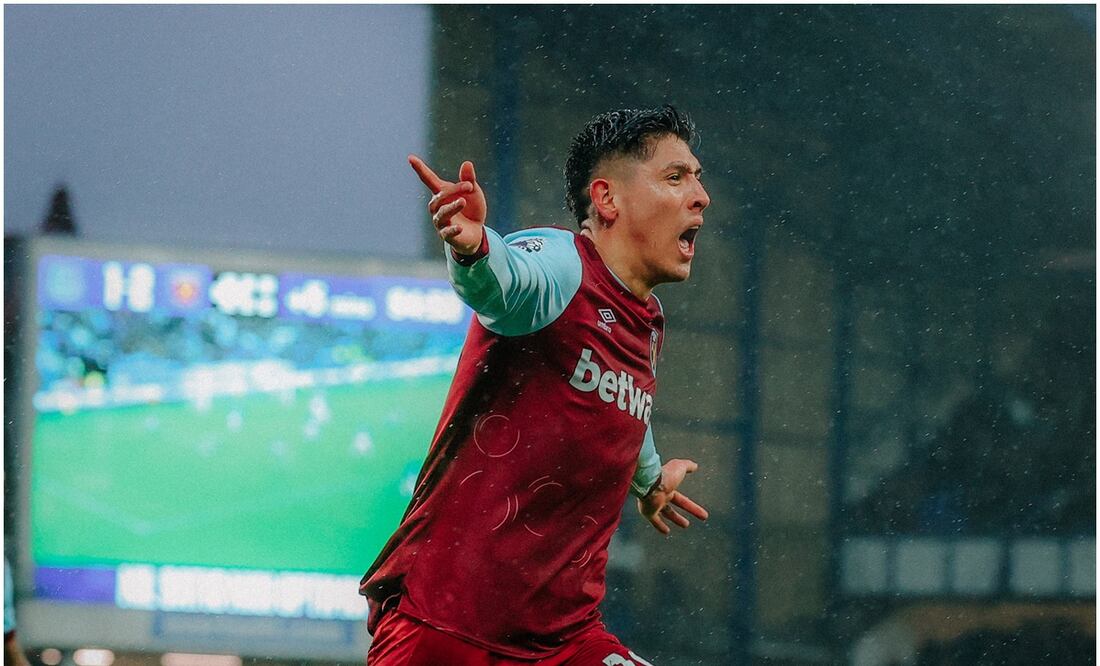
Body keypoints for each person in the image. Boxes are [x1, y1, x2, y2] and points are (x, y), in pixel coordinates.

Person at [361, 106, 711, 665]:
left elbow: (622, 406)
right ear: (607, 199)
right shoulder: (560, 263)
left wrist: (649, 480)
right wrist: (474, 246)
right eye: (676, 177)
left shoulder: (644, 324)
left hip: (562, 643)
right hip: (448, 632)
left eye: (697, 178)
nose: (700, 196)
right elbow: (507, 287)